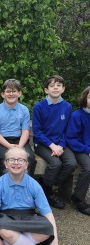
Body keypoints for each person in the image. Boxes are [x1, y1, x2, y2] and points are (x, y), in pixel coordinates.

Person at [0, 147, 75, 245]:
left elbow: (48, 214)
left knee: (47, 228)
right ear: (5, 164)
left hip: (29, 217)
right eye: (11, 160)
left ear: (26, 164)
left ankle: (11, 242)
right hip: (8, 218)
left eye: (20, 160)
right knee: (2, 228)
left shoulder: (34, 185)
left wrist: (54, 242)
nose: (16, 163)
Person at [32, 75, 77, 209]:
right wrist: (52, 146)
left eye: (59, 85)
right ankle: (48, 192)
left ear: (63, 89)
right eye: (52, 85)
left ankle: (46, 185)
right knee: (55, 164)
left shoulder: (67, 107)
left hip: (61, 144)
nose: (55, 87)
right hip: (42, 144)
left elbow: (67, 130)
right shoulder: (39, 106)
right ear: (46, 90)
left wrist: (61, 146)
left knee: (71, 163)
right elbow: (37, 131)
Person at [0, 78, 36, 177]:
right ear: (3, 94)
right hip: (1, 141)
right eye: (8, 91)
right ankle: (4, 189)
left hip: (19, 141)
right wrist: (9, 146)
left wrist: (20, 146)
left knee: (30, 158)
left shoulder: (24, 110)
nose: (11, 94)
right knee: (5, 159)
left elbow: (25, 131)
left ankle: (26, 187)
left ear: (19, 93)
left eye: (14, 91)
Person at [66, 86, 90, 215]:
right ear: (85, 98)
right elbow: (71, 139)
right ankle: (79, 199)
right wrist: (87, 150)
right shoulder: (77, 115)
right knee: (89, 167)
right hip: (79, 148)